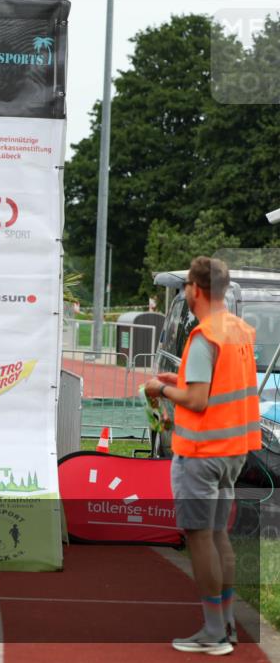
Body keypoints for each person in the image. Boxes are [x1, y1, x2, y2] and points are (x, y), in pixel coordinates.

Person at [144, 256, 260, 656]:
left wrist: (160, 390)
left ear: (194, 290)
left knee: (200, 538)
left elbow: (196, 399)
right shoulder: (241, 331)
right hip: (233, 451)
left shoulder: (203, 335)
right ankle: (225, 624)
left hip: (201, 451)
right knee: (218, 536)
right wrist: (181, 381)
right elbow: (215, 385)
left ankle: (213, 632)